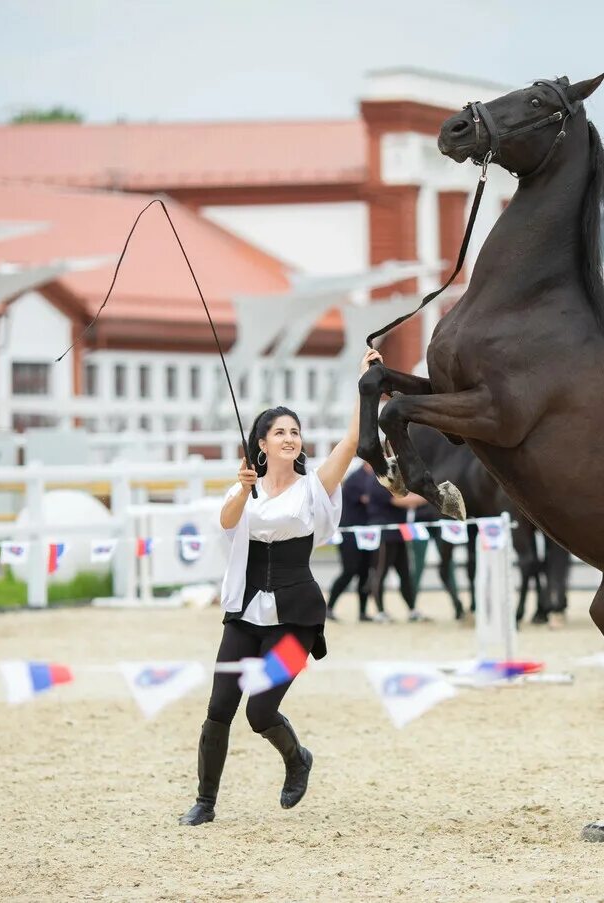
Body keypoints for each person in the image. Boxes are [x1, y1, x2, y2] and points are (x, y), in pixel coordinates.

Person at [178, 348, 380, 827]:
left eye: (295, 431)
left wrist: (363, 382)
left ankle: (297, 758)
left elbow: (351, 442)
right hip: (245, 614)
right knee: (220, 706)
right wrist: (242, 489)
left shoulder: (314, 488)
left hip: (299, 620)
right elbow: (226, 523)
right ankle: (205, 803)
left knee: (261, 709)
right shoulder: (242, 489)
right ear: (262, 444)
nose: (290, 438)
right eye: (280, 432)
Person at [363, 470, 429, 621]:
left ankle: (412, 610)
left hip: (399, 532)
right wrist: (429, 498)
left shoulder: (392, 480)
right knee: (380, 572)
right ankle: (380, 611)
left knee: (405, 573)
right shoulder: (377, 481)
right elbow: (399, 501)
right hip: (384, 533)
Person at [326, 461, 380, 622]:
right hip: (350, 533)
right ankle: (329, 607)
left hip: (366, 533)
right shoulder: (356, 478)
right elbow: (369, 499)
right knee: (349, 571)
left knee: (365, 572)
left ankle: (362, 612)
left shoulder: (373, 477)